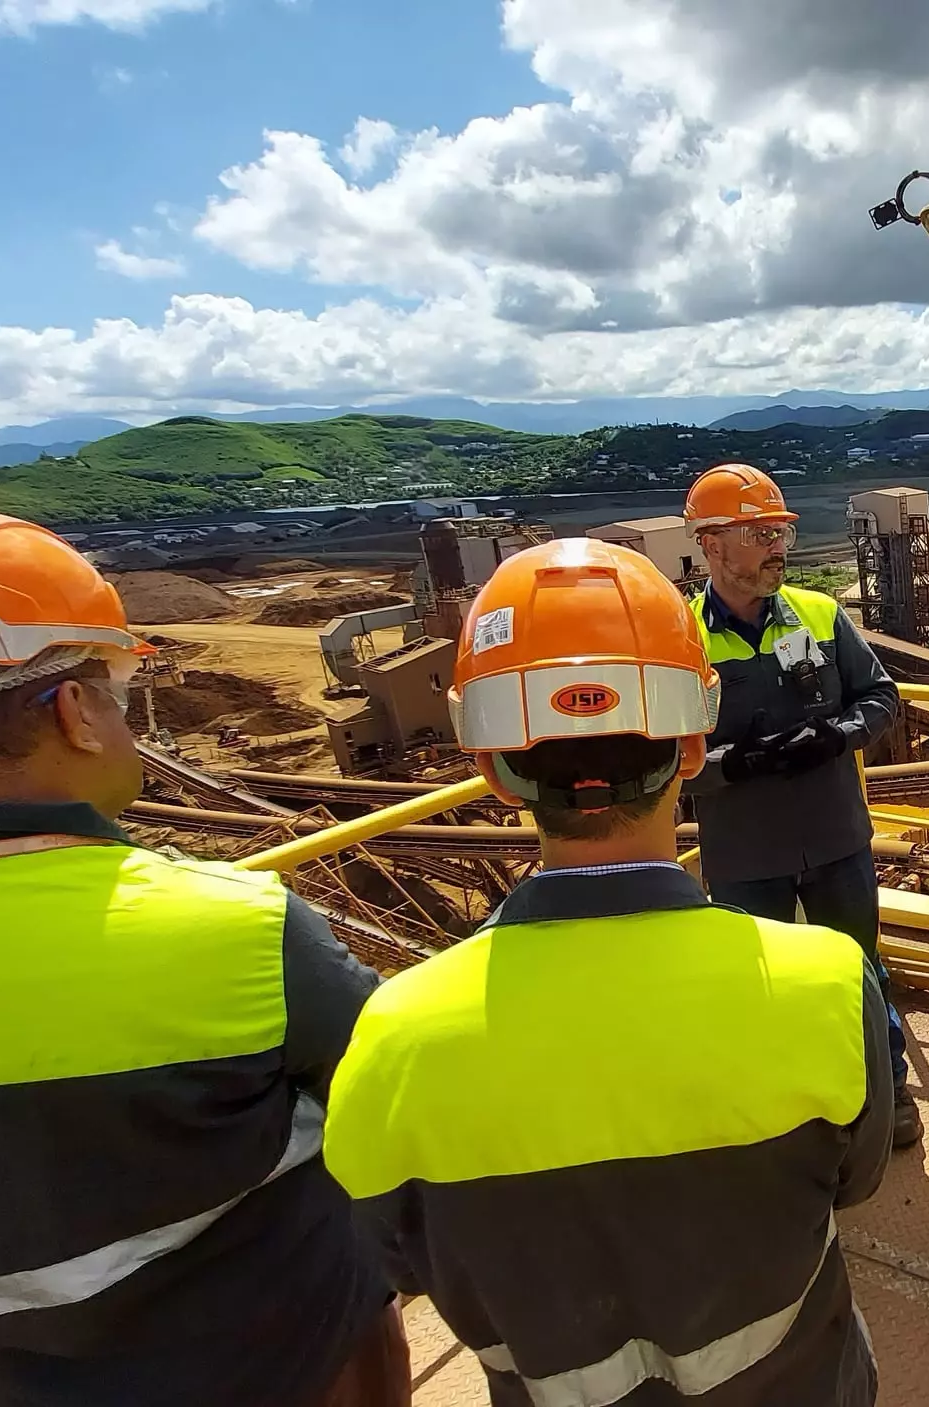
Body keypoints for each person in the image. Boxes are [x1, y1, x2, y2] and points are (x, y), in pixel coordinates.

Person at [0, 508, 402, 1407]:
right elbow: (401, 1104)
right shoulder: (237, 932)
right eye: (111, 690)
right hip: (293, 1371)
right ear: (73, 709)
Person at [323, 537, 892, 1407]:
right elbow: (856, 1178)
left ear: (493, 767)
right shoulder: (824, 982)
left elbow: (394, 1255)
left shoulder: (395, 1036)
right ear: (692, 749)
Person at [680, 462, 917, 1148]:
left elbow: (881, 697)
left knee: (859, 968)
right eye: (761, 534)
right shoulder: (682, 640)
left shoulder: (818, 615)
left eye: (781, 530)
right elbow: (669, 759)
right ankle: (788, 1101)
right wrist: (736, 764)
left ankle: (888, 1087)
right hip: (746, 856)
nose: (779, 546)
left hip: (835, 839)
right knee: (762, 986)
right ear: (713, 545)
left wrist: (837, 734)